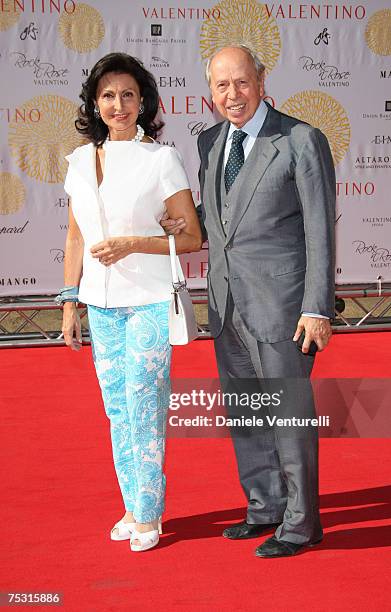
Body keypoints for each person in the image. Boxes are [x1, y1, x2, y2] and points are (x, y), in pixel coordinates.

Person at [162, 45, 336, 558]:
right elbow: (226, 212)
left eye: (241, 83)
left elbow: (320, 229)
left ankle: (303, 524)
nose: (232, 95)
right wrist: (185, 219)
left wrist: (317, 307)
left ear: (260, 80)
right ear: (209, 93)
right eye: (221, 86)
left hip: (283, 304)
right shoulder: (210, 141)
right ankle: (265, 507)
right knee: (246, 414)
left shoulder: (301, 139)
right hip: (226, 302)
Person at [61, 52, 202, 553]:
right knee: (117, 410)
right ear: (94, 103)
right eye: (107, 95)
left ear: (143, 103)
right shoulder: (78, 162)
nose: (117, 105)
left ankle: (148, 514)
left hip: (147, 300)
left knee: (144, 406)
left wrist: (133, 242)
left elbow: (191, 238)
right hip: (99, 305)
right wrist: (69, 302)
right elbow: (76, 239)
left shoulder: (160, 159)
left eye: (127, 95)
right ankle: (131, 504)